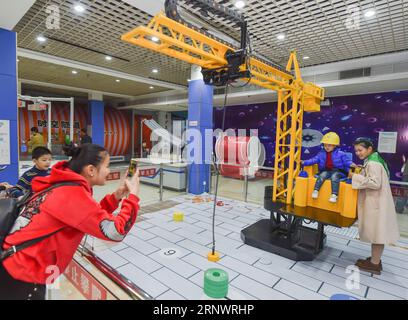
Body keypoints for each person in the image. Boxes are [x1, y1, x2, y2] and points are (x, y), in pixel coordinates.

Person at [0, 143, 140, 300]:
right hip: (23, 275)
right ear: (91, 170)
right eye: (107, 166)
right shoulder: (73, 194)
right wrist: (133, 196)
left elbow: (85, 218)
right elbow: (116, 231)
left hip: (14, 262)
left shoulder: (64, 183)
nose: (109, 171)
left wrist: (116, 196)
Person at [350, 137, 400, 275]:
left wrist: (354, 176)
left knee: (378, 233)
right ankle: (375, 259)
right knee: (379, 232)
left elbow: (374, 182)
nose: (358, 153)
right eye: (356, 151)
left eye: (360, 150)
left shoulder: (373, 163)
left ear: (369, 149)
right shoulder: (375, 159)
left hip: (377, 203)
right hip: (379, 202)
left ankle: (374, 264)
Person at [302, 132, 355, 203]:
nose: (327, 147)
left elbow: (347, 161)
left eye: (329, 145)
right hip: (327, 170)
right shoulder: (321, 154)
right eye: (325, 145)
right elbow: (314, 159)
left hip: (339, 171)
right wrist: (305, 162)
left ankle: (334, 194)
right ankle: (316, 190)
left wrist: (352, 164)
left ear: (335, 145)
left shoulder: (341, 154)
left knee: (335, 176)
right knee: (322, 175)